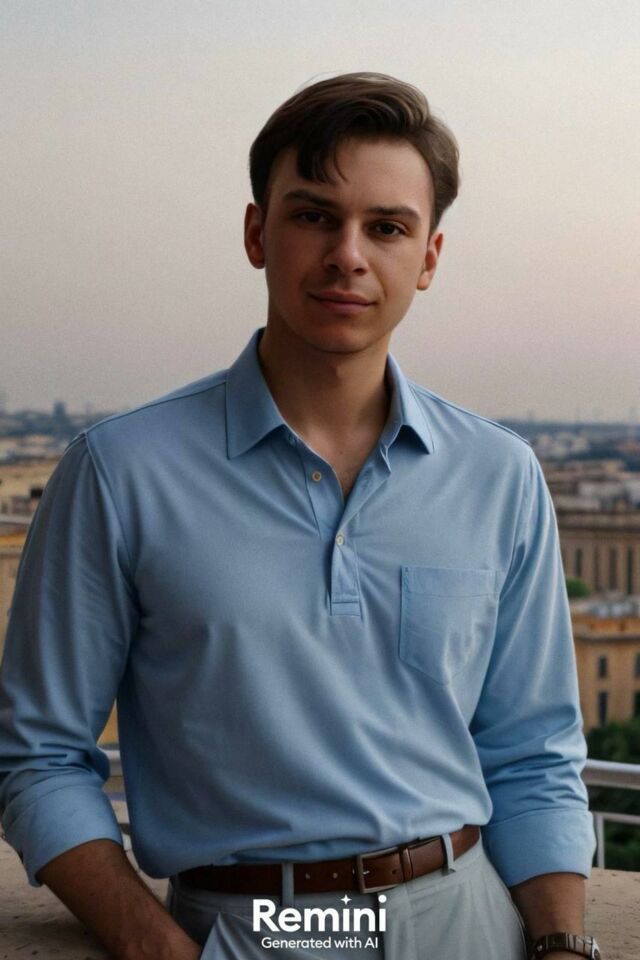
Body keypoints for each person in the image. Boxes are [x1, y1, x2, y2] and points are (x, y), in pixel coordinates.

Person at [0, 73, 599, 960]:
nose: (348, 255)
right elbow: (39, 756)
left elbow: (534, 755)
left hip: (467, 922)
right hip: (249, 930)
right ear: (257, 233)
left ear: (429, 257)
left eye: (387, 227)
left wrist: (560, 945)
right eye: (315, 215)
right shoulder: (120, 472)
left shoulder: (499, 474)